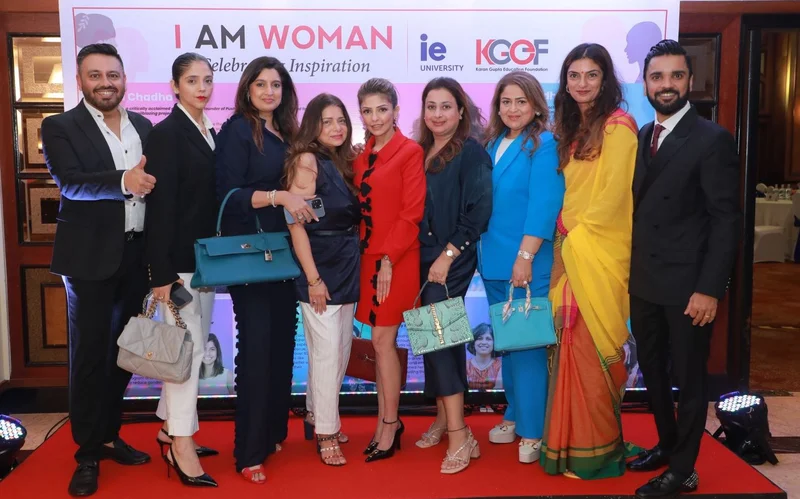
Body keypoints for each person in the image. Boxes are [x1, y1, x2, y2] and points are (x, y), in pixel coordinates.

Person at [628, 40, 740, 498]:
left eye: (676, 76)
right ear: (645, 83)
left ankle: (684, 470)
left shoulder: (712, 139)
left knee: (690, 380)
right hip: (644, 282)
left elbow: (726, 220)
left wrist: (710, 288)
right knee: (651, 370)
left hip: (690, 288)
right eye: (657, 77)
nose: (667, 85)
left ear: (690, 81)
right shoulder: (642, 135)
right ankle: (667, 444)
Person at [42, 43, 154, 497]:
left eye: (113, 75)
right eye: (95, 75)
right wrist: (124, 181)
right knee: (90, 357)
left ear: (124, 79)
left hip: (136, 256)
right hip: (88, 260)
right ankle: (87, 452)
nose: (105, 83)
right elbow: (70, 183)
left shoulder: (143, 125)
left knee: (124, 354)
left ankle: (108, 434)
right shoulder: (59, 126)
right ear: (80, 80)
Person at [540, 43, 639, 480]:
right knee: (568, 344)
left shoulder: (618, 127)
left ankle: (596, 450)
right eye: (574, 75)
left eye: (591, 75)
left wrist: (575, 237)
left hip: (596, 249)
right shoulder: (570, 130)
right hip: (568, 248)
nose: (582, 83)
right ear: (565, 82)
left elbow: (615, 196)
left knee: (592, 344)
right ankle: (568, 445)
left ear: (605, 80)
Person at [214, 56, 314, 485]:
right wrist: (279, 197)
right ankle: (248, 451)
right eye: (261, 84)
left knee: (280, 347)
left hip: (285, 256)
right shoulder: (238, 130)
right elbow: (229, 194)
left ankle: (272, 432)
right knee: (255, 350)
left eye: (276, 85)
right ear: (248, 89)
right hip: (251, 257)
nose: (269, 91)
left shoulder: (288, 133)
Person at [477, 71, 565, 464]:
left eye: (521, 101)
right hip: (492, 262)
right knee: (509, 345)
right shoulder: (493, 143)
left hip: (525, 263)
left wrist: (525, 258)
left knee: (527, 347)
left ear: (536, 105)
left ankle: (533, 430)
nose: (513, 109)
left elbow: (544, 206)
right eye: (506, 101)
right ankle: (514, 414)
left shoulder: (544, 145)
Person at [143, 52, 219, 488]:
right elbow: (159, 210)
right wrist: (161, 274)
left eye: (207, 80)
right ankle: (182, 446)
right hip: (178, 270)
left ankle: (166, 428)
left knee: (189, 351)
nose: (201, 88)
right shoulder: (166, 135)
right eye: (192, 80)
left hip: (203, 263)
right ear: (174, 86)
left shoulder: (209, 130)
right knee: (184, 359)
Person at [413, 77, 493, 474]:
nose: (438, 114)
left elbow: (478, 212)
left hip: (451, 258)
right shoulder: (420, 151)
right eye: (431, 106)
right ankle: (445, 419)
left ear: (461, 112)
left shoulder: (472, 152)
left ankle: (461, 435)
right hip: (422, 258)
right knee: (434, 340)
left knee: (440, 341)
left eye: (446, 106)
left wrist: (447, 256)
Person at [284, 93, 360, 466]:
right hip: (320, 269)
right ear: (312, 125)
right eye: (327, 121)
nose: (336, 127)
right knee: (328, 353)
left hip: (346, 266)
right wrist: (313, 279)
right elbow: (295, 225)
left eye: (341, 120)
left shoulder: (339, 162)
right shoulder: (307, 161)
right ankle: (327, 434)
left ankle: (317, 414)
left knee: (336, 351)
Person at [354, 77, 426, 462]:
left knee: (383, 341)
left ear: (396, 111)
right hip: (368, 260)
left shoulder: (410, 152)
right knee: (381, 344)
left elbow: (411, 213)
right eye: (367, 111)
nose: (375, 117)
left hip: (397, 259)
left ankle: (390, 423)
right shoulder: (361, 155)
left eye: (382, 109)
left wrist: (388, 260)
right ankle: (387, 422)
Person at [466, 324, 503, 390]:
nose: (484, 342)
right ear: (473, 343)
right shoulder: (466, 366)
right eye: (480, 338)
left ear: (494, 343)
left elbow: (499, 391)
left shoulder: (500, 366)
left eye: (488, 339)